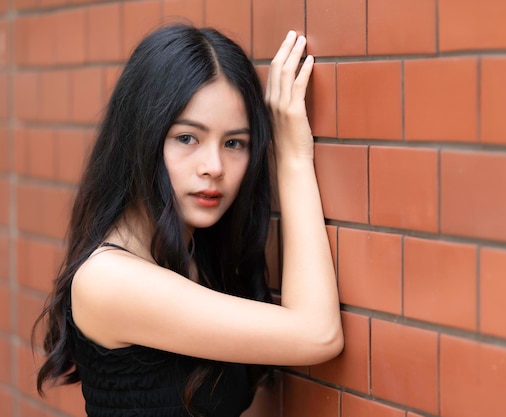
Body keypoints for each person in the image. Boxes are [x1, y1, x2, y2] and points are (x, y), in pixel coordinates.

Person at [33, 24, 343, 417]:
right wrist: (294, 155)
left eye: (234, 143)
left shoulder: (195, 254)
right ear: (141, 137)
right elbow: (318, 335)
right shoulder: (109, 279)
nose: (213, 167)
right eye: (187, 138)